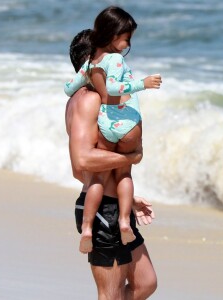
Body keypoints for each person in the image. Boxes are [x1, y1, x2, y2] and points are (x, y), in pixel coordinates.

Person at [65, 28, 157, 299]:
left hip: (112, 203)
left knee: (145, 284)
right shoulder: (88, 99)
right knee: (111, 295)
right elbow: (82, 161)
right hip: (103, 213)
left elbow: (80, 169)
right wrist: (130, 158)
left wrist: (125, 193)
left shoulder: (90, 99)